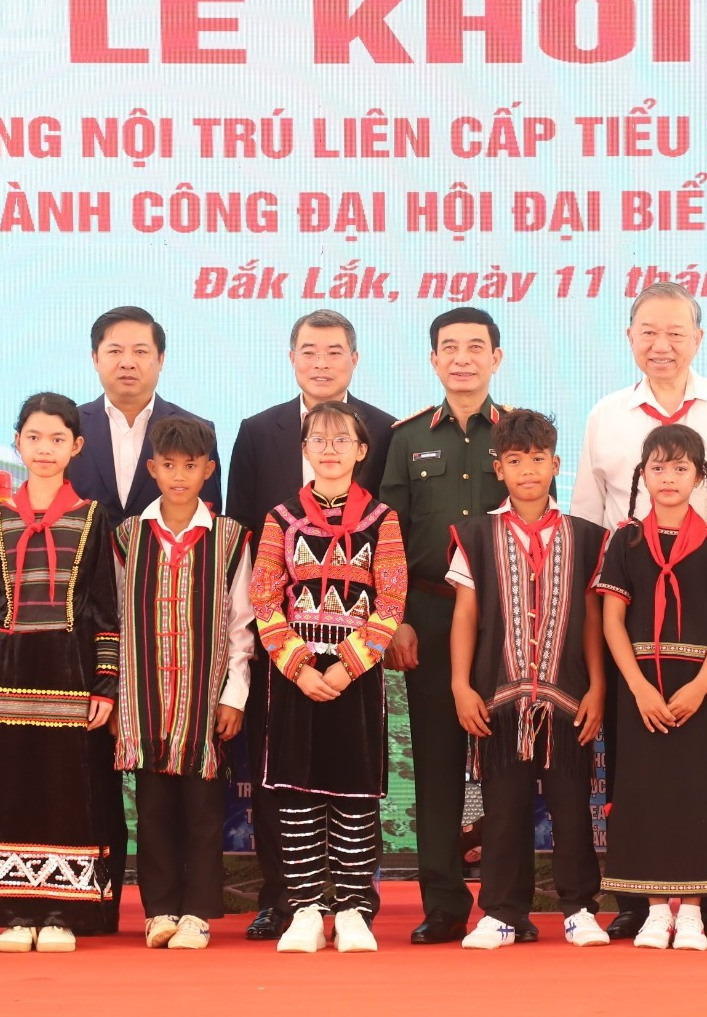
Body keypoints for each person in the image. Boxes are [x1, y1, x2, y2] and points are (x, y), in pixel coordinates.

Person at [570, 282, 707, 943]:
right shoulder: (605, 415)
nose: (662, 344)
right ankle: (635, 899)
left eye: (677, 332)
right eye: (649, 331)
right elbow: (589, 526)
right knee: (634, 769)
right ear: (629, 337)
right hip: (633, 631)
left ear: (699, 338)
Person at [228, 310, 394, 940]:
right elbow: (243, 532)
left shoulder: (385, 427)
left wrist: (359, 651)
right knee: (282, 776)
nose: (321, 362)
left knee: (353, 778)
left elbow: (390, 550)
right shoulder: (256, 431)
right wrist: (283, 650)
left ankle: (354, 903)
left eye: (334, 351)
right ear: (291, 357)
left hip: (361, 645)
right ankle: (287, 897)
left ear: (354, 358)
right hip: (282, 643)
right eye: (309, 351)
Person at [0, 393, 121, 953]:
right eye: (34, 438)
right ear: (17, 443)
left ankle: (61, 911)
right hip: (8, 674)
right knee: (11, 788)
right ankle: (16, 910)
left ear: (76, 446)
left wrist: (106, 684)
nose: (45, 449)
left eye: (57, 439)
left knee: (69, 788)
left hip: (71, 673)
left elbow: (105, 608)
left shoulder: (94, 517)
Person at [447, 409, 610, 950]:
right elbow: (466, 615)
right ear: (498, 468)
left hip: (567, 701)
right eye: (515, 461)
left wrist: (597, 687)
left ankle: (579, 908)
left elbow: (591, 618)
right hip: (499, 699)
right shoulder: (475, 533)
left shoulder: (586, 537)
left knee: (571, 808)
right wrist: (460, 686)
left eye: (538, 459)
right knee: (503, 812)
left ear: (556, 463)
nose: (528, 471)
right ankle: (501, 911)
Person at [249, 402, 405, 954]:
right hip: (294, 678)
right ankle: (306, 908)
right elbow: (264, 596)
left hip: (355, 677)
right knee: (296, 794)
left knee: (354, 794)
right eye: (320, 439)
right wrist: (297, 665)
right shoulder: (280, 517)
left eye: (343, 440)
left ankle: (356, 909)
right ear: (304, 449)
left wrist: (345, 665)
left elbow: (390, 602)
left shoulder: (382, 519)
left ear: (362, 451)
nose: (331, 448)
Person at [378, 308, 514, 944]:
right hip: (429, 613)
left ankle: (508, 901)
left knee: (509, 762)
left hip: (509, 614)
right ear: (433, 361)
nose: (462, 358)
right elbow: (391, 539)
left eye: (475, 347)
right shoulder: (406, 439)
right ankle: (443, 904)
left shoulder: (518, 432)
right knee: (436, 762)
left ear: (496, 357)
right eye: (449, 348)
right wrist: (397, 619)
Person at [593, 424, 707, 951]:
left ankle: (696, 911)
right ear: (642, 474)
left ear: (700, 476)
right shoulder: (625, 540)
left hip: (701, 686)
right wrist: (637, 689)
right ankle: (655, 908)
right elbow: (613, 621)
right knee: (644, 791)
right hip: (641, 688)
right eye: (658, 467)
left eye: (681, 468)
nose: (670, 477)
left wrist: (703, 684)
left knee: (699, 788)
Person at [110, 417, 252, 952]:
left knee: (202, 812)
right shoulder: (126, 538)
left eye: (190, 466)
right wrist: (120, 696)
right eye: (168, 465)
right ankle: (159, 910)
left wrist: (232, 694)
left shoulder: (231, 538)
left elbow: (242, 626)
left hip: (203, 702)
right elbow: (118, 619)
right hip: (145, 703)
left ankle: (197, 912)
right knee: (152, 811)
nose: (178, 476)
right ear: (152, 468)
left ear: (208, 470)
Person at [74, 306, 224, 524]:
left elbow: (208, 517)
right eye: (115, 351)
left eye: (140, 352)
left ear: (161, 359)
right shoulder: (68, 428)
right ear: (95, 358)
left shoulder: (198, 430)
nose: (127, 362)